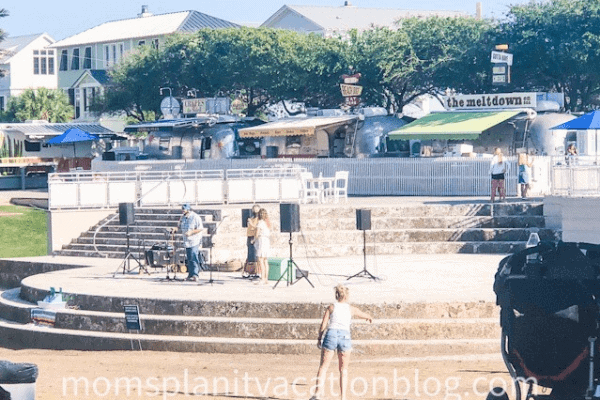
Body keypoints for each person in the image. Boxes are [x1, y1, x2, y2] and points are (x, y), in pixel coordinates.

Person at [311, 284, 373, 400]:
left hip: (331, 335)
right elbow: (363, 314)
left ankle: (317, 394)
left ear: (337, 295)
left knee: (323, 367)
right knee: (343, 369)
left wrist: (319, 338)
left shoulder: (331, 307)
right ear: (347, 296)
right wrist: (369, 317)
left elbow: (323, 325)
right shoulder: (351, 309)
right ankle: (343, 397)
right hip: (344, 336)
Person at [178, 203, 204, 282]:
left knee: (193, 257)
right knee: (189, 258)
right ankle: (190, 274)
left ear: (188, 210)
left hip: (194, 240)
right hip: (187, 241)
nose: (182, 211)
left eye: (184, 210)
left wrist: (191, 232)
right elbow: (180, 225)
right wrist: (176, 228)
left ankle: (195, 274)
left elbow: (200, 228)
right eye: (182, 209)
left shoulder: (195, 217)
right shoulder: (183, 218)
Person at [253, 208, 271, 285]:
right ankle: (266, 279)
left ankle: (262, 278)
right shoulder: (266, 223)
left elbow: (257, 234)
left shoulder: (260, 223)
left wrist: (253, 240)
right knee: (265, 261)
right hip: (267, 241)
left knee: (260, 260)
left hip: (261, 241)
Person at [243, 204, 261, 278]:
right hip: (249, 236)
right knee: (250, 254)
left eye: (256, 210)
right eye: (254, 210)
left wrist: (251, 224)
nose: (255, 212)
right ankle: (249, 271)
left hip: (255, 237)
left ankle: (257, 271)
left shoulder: (259, 220)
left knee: (256, 255)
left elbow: (257, 228)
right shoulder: (251, 218)